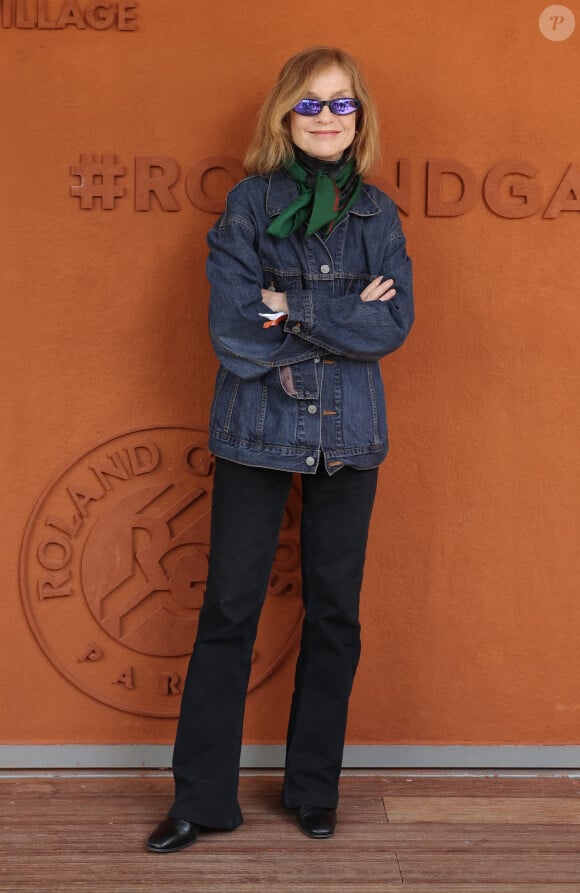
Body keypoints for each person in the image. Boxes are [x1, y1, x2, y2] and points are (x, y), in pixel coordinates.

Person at [147, 45, 413, 853]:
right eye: (310, 104)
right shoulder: (246, 206)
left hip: (350, 438)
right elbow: (233, 332)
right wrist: (337, 315)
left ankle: (312, 789)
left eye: (340, 104)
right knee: (228, 610)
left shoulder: (380, 216)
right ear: (284, 116)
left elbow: (392, 325)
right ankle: (201, 799)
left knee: (335, 615)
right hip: (256, 432)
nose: (326, 118)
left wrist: (285, 306)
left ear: (358, 118)